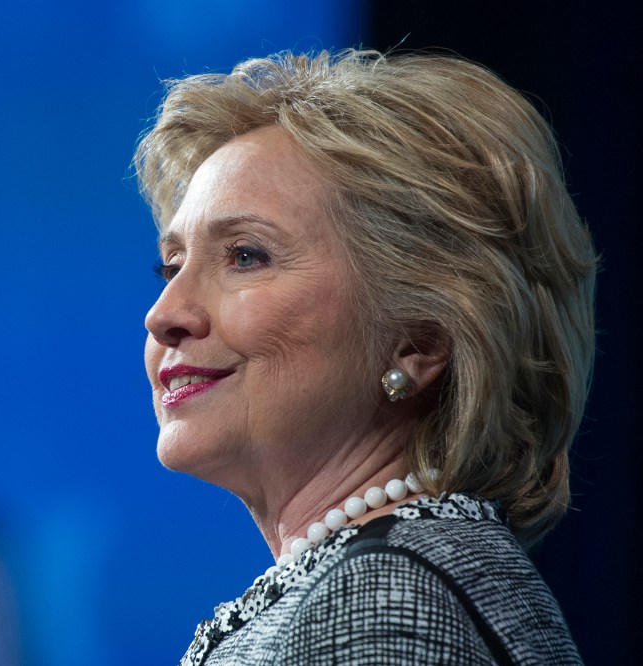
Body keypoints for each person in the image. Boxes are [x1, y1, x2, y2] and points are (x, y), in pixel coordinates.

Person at [134, 49, 594, 665]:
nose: (164, 313)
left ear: (419, 341)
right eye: (170, 265)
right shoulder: (402, 570)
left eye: (245, 256)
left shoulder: (384, 600)